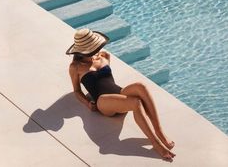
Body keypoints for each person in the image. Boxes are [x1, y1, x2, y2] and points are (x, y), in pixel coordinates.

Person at [67, 28, 175, 161]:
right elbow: (77, 91)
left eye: (95, 48)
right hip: (103, 101)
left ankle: (159, 131)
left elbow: (105, 79)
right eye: (91, 49)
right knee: (135, 102)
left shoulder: (104, 56)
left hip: (118, 93)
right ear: (81, 51)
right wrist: (88, 103)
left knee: (141, 86)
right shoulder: (75, 67)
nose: (95, 51)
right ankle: (155, 142)